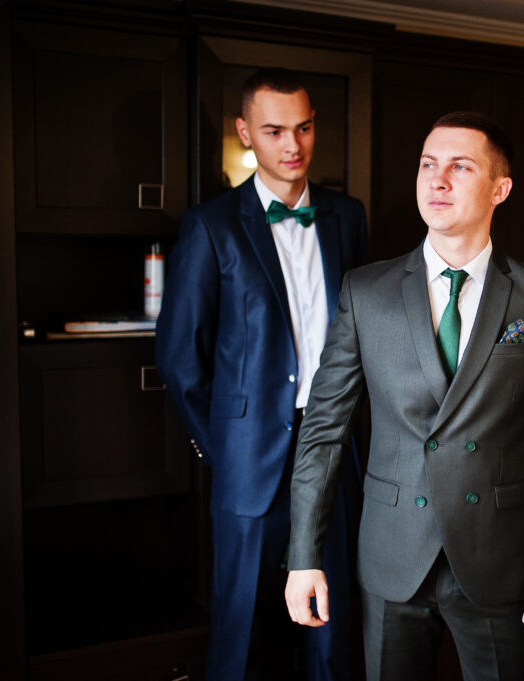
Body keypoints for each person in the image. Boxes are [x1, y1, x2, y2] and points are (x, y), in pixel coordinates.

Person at [284, 111, 524, 681]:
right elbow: (323, 434)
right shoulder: (366, 292)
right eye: (428, 165)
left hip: (499, 561)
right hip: (392, 554)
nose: (437, 180)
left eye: (459, 166)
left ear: (499, 188)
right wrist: (303, 555)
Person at [156, 68, 367, 681]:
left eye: (302, 128)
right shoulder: (211, 225)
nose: (292, 145)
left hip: (334, 444)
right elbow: (178, 354)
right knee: (243, 623)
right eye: (274, 130)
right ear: (246, 132)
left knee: (333, 619)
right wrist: (224, 445)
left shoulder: (347, 218)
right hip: (249, 454)